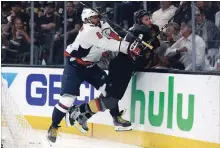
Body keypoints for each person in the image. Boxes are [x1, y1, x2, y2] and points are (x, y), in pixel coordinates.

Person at [47, 8, 143, 143]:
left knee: (109, 91)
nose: (97, 19)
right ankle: (54, 127)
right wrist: (129, 48)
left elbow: (115, 37)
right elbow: (108, 43)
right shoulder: (89, 31)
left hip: (91, 66)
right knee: (67, 101)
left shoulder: (102, 25)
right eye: (94, 18)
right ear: (86, 20)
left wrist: (128, 41)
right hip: (75, 67)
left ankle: (115, 118)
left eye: (97, 17)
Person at [65, 9, 160, 133]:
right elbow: (132, 51)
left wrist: (152, 38)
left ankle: (86, 115)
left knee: (109, 96)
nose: (149, 22)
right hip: (121, 67)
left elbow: (150, 48)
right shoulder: (138, 30)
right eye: (146, 19)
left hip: (124, 68)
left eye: (150, 19)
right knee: (110, 100)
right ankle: (78, 110)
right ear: (139, 21)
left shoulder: (142, 31)